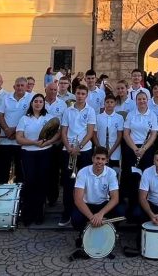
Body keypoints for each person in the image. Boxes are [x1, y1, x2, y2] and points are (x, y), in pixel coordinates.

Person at [16, 93, 60, 226]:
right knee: (29, 182)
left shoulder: (49, 118)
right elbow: (19, 138)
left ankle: (39, 214)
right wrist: (34, 143)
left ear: (43, 104)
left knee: (42, 183)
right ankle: (27, 215)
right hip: (28, 153)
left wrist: (48, 142)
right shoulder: (24, 118)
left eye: (41, 101)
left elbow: (57, 134)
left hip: (45, 153)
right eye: (36, 101)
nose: (38, 103)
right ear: (31, 103)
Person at [72, 147, 124, 252]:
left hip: (103, 204)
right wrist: (93, 218)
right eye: (97, 158)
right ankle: (83, 233)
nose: (99, 161)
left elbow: (115, 198)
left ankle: (108, 232)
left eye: (103, 159)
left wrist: (100, 214)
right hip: (87, 204)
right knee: (75, 218)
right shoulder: (83, 172)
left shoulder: (111, 173)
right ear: (93, 158)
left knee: (120, 211)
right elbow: (78, 199)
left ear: (107, 160)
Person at [58, 85, 96, 227]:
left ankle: (83, 213)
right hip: (68, 150)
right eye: (78, 93)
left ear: (86, 95)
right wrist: (69, 147)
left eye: (83, 94)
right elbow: (63, 131)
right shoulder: (68, 110)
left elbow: (90, 132)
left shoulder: (91, 110)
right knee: (68, 183)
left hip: (84, 150)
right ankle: (67, 213)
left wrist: (78, 147)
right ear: (75, 94)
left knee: (85, 182)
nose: (80, 96)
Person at [121, 91, 158, 208]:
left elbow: (153, 134)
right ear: (136, 101)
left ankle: (145, 203)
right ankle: (133, 204)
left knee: (146, 176)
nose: (142, 101)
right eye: (139, 99)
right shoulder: (131, 114)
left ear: (147, 100)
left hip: (147, 150)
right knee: (132, 177)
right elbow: (126, 134)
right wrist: (135, 149)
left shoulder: (152, 115)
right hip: (132, 149)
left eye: (144, 99)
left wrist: (144, 149)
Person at [0, 77, 32, 184]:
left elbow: (30, 117)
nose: (19, 87)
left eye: (22, 85)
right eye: (18, 85)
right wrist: (6, 129)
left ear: (26, 87)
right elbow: (0, 115)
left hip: (21, 142)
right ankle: (1, 193)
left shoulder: (31, 98)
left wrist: (15, 131)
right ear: (14, 86)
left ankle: (20, 194)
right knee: (1, 172)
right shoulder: (6, 97)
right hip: (4, 141)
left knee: (21, 173)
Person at [44, 81, 68, 206]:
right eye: (51, 89)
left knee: (54, 172)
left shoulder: (62, 104)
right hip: (42, 143)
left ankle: (53, 198)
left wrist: (56, 139)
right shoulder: (40, 102)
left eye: (55, 90)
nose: (53, 92)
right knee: (43, 171)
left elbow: (64, 125)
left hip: (57, 143)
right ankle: (42, 197)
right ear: (45, 90)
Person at [94, 94, 124, 171]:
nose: (109, 104)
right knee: (100, 170)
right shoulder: (98, 117)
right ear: (104, 104)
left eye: (111, 102)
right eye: (107, 102)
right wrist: (100, 148)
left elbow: (119, 136)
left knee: (114, 171)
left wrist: (111, 150)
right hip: (100, 149)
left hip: (115, 150)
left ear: (115, 103)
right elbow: (94, 135)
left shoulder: (119, 118)